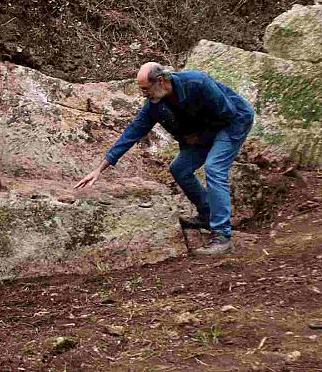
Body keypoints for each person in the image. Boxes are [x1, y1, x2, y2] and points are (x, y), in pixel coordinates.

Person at [75, 62, 254, 255]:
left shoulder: (198, 82)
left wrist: (201, 136)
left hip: (234, 122)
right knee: (179, 168)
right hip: (203, 132)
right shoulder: (154, 105)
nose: (143, 94)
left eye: (145, 89)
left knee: (214, 168)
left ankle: (222, 236)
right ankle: (207, 215)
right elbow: (132, 133)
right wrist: (99, 169)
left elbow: (227, 113)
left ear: (160, 81)